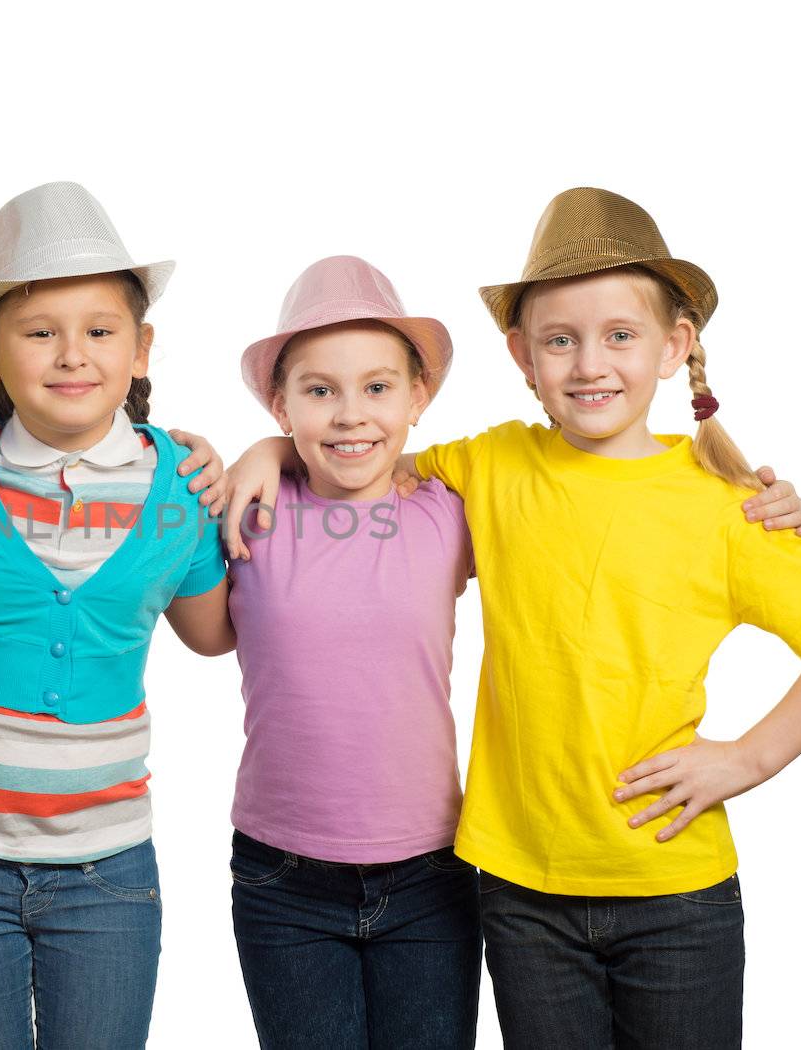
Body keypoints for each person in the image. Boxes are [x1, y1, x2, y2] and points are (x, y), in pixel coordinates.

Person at [227, 187, 801, 1048]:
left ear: (674, 346)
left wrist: (749, 758)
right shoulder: (492, 465)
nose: (590, 364)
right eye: (560, 339)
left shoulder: (722, 505)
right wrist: (269, 446)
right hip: (518, 891)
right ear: (522, 355)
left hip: (673, 888)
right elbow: (361, 449)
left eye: (621, 335)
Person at [0, 182, 234, 1049]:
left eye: (101, 332)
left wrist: (265, 468)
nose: (72, 355)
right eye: (38, 333)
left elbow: (215, 636)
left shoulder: (182, 489)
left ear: (142, 350)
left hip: (107, 866)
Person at [224, 255, 481, 1048]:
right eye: (319, 390)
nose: (349, 415)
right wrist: (263, 452)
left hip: (431, 871)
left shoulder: (454, 513)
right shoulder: (248, 510)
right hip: (281, 876)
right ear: (281, 403)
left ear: (417, 398)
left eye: (377, 388)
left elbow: (576, 473)